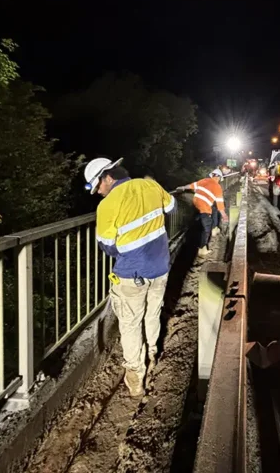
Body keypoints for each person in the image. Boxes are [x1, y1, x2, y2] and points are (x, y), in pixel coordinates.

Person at [84, 157, 176, 397]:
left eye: (97, 186)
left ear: (107, 177)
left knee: (130, 324)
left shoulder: (107, 204)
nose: (98, 192)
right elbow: (171, 207)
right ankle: (152, 354)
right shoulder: (150, 185)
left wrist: (128, 248)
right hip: (160, 267)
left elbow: (107, 246)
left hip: (132, 274)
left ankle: (136, 378)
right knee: (152, 313)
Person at [177, 168, 227, 257]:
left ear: (212, 175)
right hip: (204, 208)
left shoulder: (204, 180)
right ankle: (202, 249)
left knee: (197, 224)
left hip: (195, 205)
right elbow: (220, 204)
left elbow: (191, 186)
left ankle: (192, 243)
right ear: (219, 178)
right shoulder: (217, 187)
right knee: (206, 228)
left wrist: (183, 187)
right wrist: (224, 215)